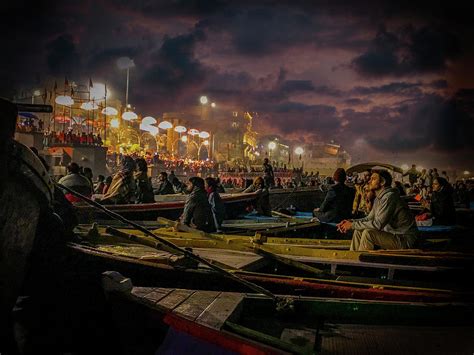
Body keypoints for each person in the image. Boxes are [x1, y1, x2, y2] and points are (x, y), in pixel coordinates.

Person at [337, 169, 417, 251]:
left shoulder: (390, 197)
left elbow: (378, 224)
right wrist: (350, 222)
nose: (369, 181)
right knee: (359, 230)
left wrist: (352, 225)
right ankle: (353, 260)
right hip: (393, 236)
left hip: (404, 239)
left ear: (382, 182)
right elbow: (369, 218)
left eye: (373, 179)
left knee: (368, 233)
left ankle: (361, 262)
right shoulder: (379, 198)